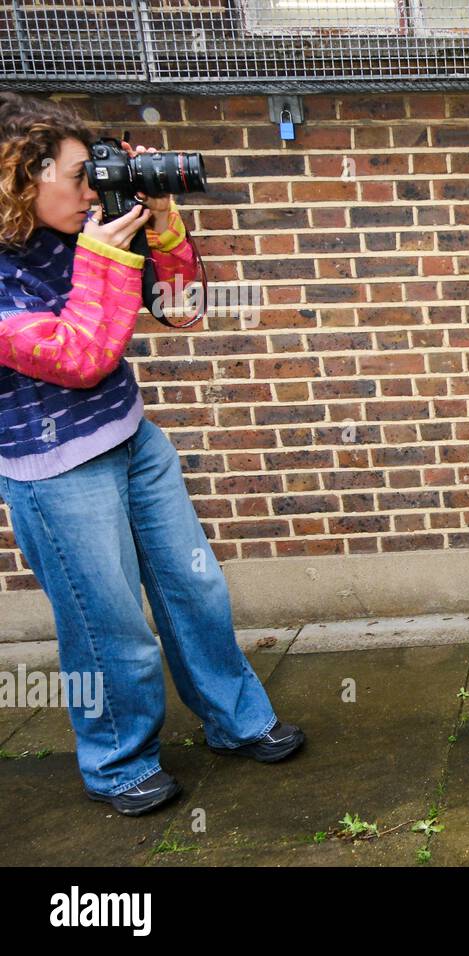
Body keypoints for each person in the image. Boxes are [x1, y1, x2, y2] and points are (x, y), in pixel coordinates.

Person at [0, 92, 304, 816]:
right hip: (57, 470)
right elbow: (78, 356)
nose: (89, 190)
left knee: (195, 590)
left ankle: (238, 720)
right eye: (75, 177)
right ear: (21, 178)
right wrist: (104, 255)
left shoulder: (89, 225)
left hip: (133, 440)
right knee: (110, 627)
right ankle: (118, 760)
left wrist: (163, 227)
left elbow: (180, 307)